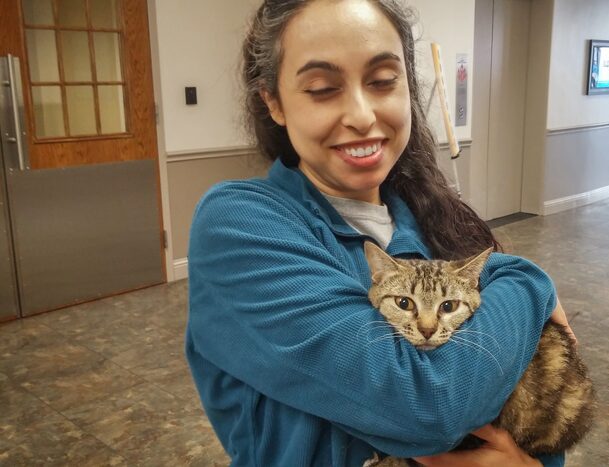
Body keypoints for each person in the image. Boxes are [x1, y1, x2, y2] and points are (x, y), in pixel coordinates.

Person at [185, 0, 576, 465]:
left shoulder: (437, 217)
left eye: (383, 81)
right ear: (273, 102)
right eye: (322, 88)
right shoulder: (240, 226)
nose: (363, 115)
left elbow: (547, 396)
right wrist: (529, 282)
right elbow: (426, 407)